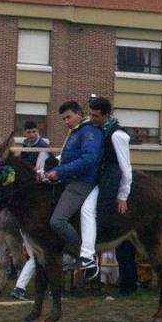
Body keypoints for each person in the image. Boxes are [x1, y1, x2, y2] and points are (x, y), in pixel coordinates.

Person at [44, 100, 105, 274]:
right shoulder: (78, 131)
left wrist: (60, 171)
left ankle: (84, 257)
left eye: (68, 117)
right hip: (72, 180)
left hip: (82, 182)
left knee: (57, 221)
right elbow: (69, 157)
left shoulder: (89, 131)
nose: (66, 122)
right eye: (63, 119)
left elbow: (88, 159)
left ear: (79, 113)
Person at [76, 97, 131, 282]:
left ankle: (87, 254)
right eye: (90, 114)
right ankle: (87, 254)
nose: (92, 118)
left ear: (107, 115)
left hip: (110, 177)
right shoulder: (100, 129)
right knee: (86, 209)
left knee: (89, 209)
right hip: (101, 176)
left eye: (95, 115)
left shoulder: (117, 135)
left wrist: (123, 195)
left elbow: (125, 166)